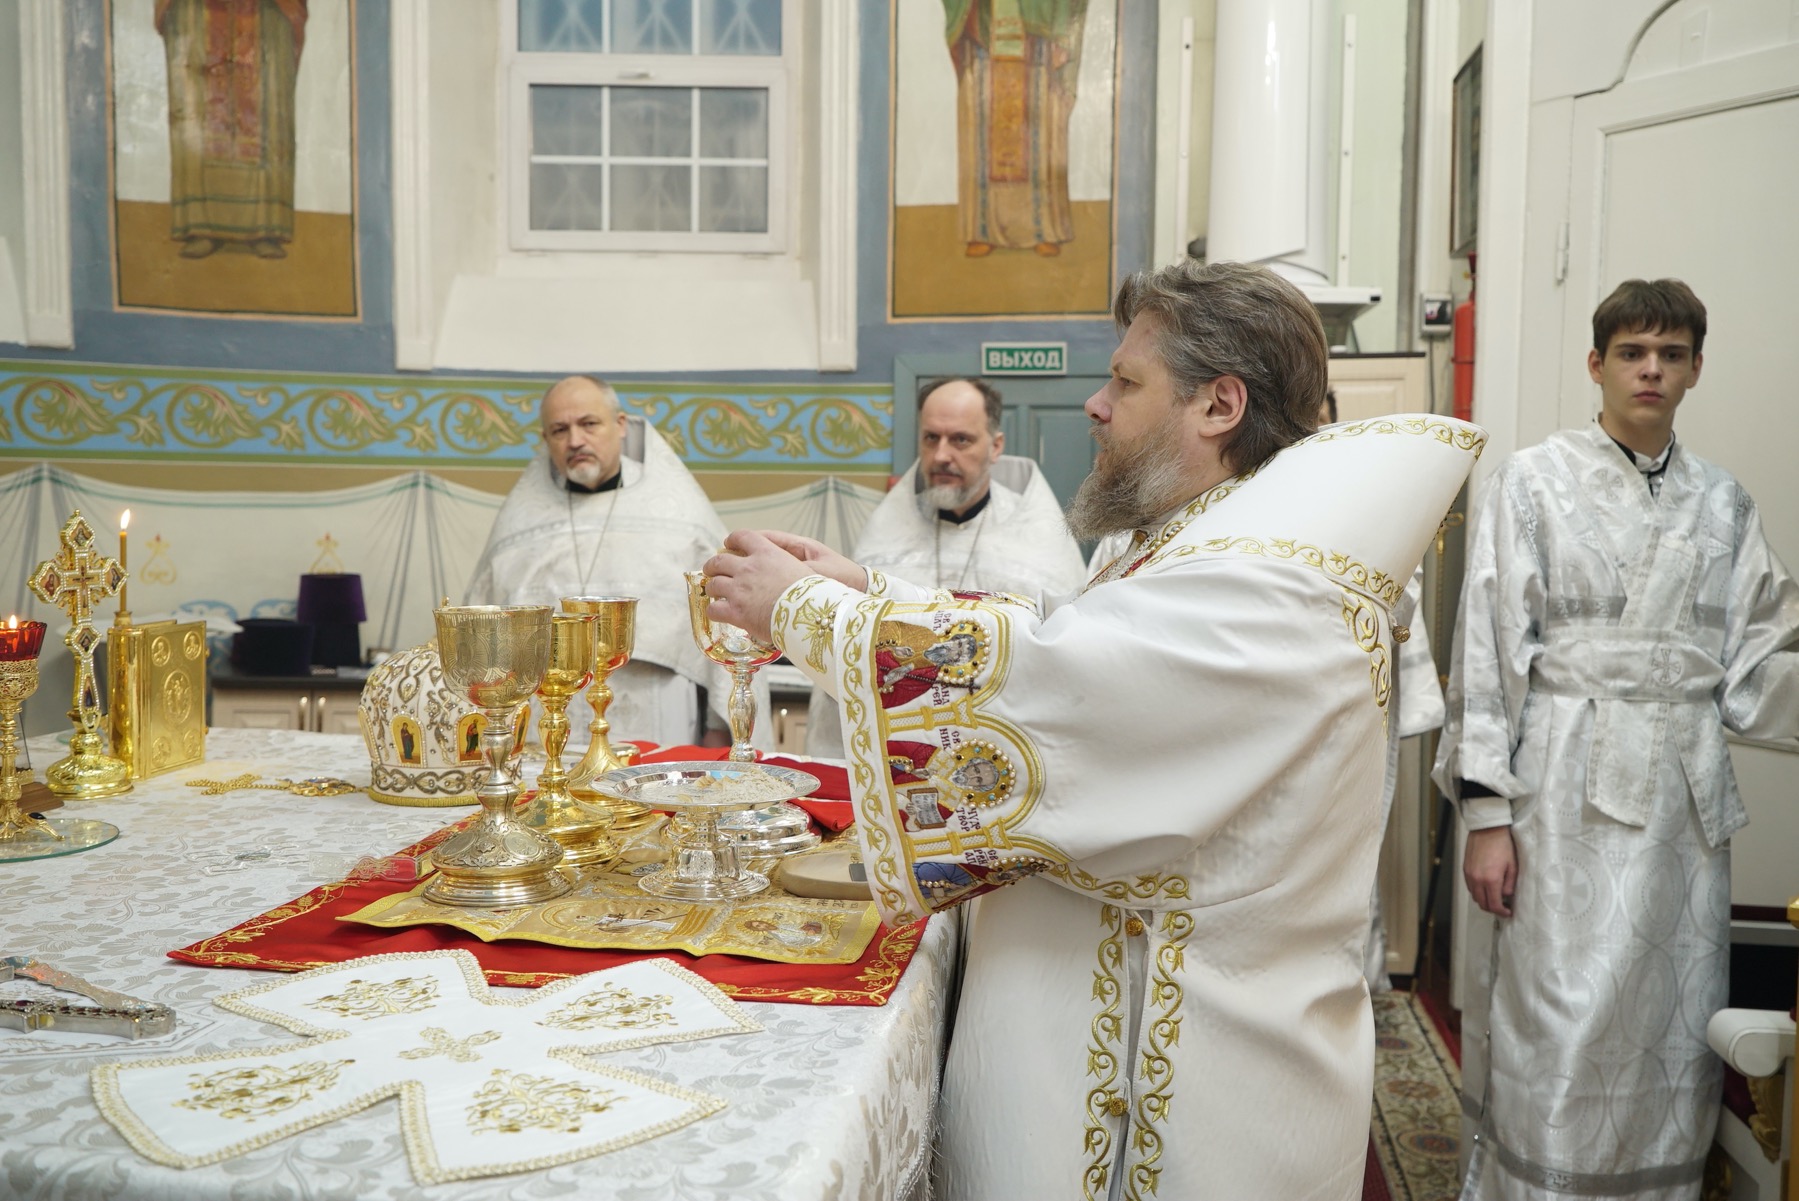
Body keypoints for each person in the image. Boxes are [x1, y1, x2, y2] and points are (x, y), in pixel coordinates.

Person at [701, 259, 1481, 1199]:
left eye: (1124, 380)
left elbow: (1059, 690)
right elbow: (1072, 639)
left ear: (1218, 404)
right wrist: (869, 589)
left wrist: (807, 612)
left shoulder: (1273, 580)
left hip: (1189, 1091)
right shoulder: (1205, 538)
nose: (1095, 404)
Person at [1434, 279, 1799, 1200]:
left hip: (1682, 806)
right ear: (1595, 365)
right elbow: (1487, 650)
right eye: (1632, 352)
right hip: (1561, 786)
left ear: (1695, 369)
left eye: (1670, 354)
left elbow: (1758, 663)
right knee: (1560, 1010)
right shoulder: (1532, 480)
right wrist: (1485, 814)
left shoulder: (1724, 502)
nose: (1650, 370)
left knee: (1669, 1018)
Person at [465, 375, 752, 749]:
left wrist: (719, 727)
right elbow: (482, 639)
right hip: (546, 713)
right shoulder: (519, 525)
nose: (575, 440)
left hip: (656, 711)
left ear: (620, 426)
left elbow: (724, 621)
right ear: (545, 439)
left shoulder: (680, 515)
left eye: (589, 423)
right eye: (559, 430)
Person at [805, 376, 1086, 756]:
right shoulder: (885, 536)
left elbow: (1062, 663)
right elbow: (850, 651)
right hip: (898, 748)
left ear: (995, 446)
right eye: (930, 438)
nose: (941, 455)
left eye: (960, 440)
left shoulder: (1040, 544)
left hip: (1002, 750)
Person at [157, 0, 308, 259]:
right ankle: (199, 225)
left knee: (266, 108)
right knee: (197, 111)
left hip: (265, 11)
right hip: (200, 10)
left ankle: (266, 227)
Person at [945, 0, 1089, 257]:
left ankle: (1043, 230)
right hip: (985, 32)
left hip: (1035, 35)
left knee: (1039, 131)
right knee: (983, 130)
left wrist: (1059, 33)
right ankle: (982, 230)